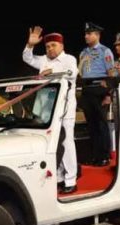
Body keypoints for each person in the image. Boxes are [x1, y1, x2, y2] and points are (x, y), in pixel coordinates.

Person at [23, 26, 79, 194]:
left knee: (66, 142)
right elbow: (27, 58)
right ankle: (59, 177)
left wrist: (51, 72)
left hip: (65, 108)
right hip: (46, 110)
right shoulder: (43, 60)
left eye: (53, 45)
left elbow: (72, 73)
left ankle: (71, 179)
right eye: (47, 46)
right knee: (51, 143)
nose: (50, 49)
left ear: (61, 46)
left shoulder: (69, 59)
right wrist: (30, 45)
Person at [78, 22, 115, 166]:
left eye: (89, 34)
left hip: (100, 89)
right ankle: (95, 155)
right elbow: (80, 72)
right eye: (85, 34)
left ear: (97, 35)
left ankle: (104, 156)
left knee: (101, 124)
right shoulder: (83, 52)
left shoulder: (105, 51)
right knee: (91, 125)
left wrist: (108, 94)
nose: (86, 36)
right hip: (87, 89)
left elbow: (111, 73)